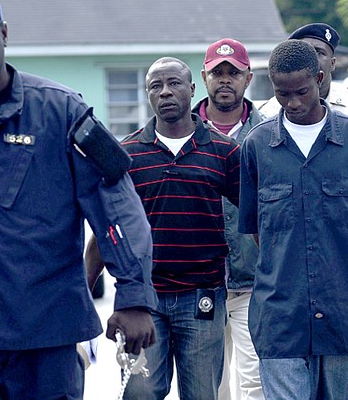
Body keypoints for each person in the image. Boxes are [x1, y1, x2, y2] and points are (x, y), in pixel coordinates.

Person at [0, 0, 157, 398]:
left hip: (47, 332)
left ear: (3, 34)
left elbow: (116, 208)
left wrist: (134, 295)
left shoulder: (61, 111)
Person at [86, 57, 241, 400]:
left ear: (192, 89)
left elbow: (255, 219)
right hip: (143, 301)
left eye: (174, 83)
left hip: (203, 298)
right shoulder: (126, 155)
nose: (166, 92)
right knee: (140, 394)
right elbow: (105, 228)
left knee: (202, 395)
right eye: (156, 86)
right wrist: (85, 287)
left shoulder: (225, 152)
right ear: (147, 95)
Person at [238, 39, 348, 400]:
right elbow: (257, 231)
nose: (293, 103)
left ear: (319, 78)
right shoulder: (255, 147)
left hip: (344, 313)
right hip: (281, 317)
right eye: (283, 94)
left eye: (301, 91)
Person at [190, 37, 265, 400]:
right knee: (208, 387)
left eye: (232, 72)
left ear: (247, 77)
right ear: (203, 78)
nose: (225, 79)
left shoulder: (269, 132)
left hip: (254, 282)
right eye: (217, 73)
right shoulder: (180, 132)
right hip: (199, 283)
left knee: (255, 385)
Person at [259, 23, 348, 118]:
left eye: (319, 53)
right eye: (304, 53)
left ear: (332, 63)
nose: (313, 59)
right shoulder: (269, 113)